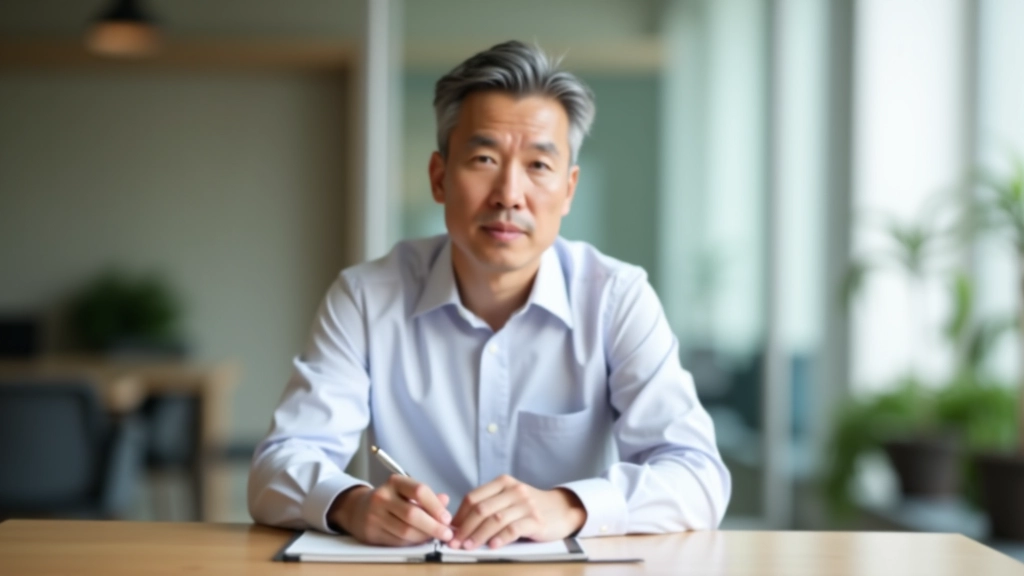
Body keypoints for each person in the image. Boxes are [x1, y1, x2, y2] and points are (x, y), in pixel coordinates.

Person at [248, 40, 731, 551]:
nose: (509, 194)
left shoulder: (615, 298)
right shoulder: (367, 297)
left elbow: (698, 475)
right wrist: (351, 505)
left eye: (538, 166)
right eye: (484, 158)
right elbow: (278, 465)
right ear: (439, 178)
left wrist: (568, 505)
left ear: (569, 189)